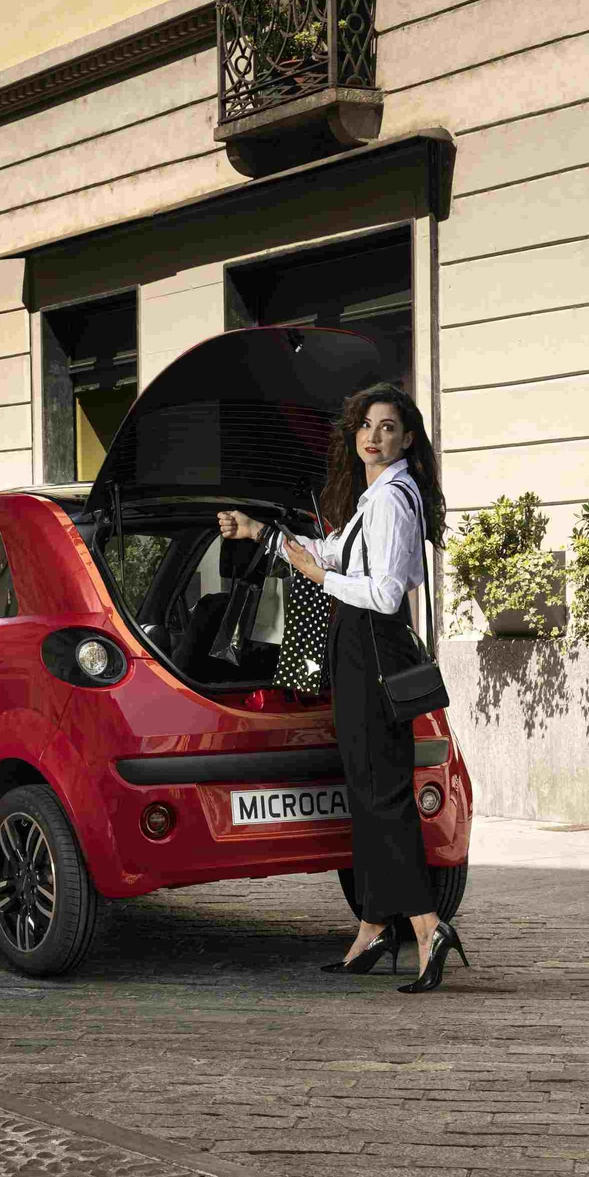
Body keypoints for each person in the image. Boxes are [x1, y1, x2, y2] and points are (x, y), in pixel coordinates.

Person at [217, 384, 467, 993]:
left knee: (382, 799)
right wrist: (265, 535)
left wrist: (322, 578)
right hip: (359, 656)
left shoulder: (391, 500)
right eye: (364, 425)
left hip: (372, 652)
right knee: (368, 795)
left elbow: (383, 594)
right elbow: (335, 551)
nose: (372, 435)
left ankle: (429, 927)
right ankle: (372, 928)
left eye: (386, 427)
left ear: (406, 438)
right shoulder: (376, 496)